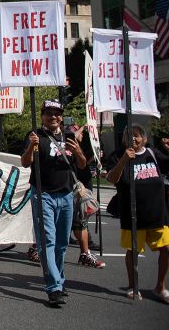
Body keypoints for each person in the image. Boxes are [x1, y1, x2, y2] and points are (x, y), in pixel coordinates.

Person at [21, 99, 85, 307]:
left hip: (66, 195)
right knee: (47, 241)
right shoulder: (36, 136)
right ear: (42, 116)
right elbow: (25, 162)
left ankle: (59, 280)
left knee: (61, 243)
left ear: (61, 116)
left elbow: (82, 165)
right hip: (43, 194)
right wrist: (32, 146)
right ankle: (53, 287)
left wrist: (78, 152)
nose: (53, 117)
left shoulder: (69, 137)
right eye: (48, 113)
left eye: (57, 113)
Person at [106, 125, 169, 303]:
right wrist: (124, 160)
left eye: (136, 136)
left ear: (145, 139)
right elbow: (111, 179)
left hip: (157, 214)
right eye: (128, 136)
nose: (132, 139)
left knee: (166, 249)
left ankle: (160, 287)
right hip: (132, 215)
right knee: (133, 252)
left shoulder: (153, 154)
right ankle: (133, 286)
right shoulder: (118, 155)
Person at [70, 125, 104, 269]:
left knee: (80, 218)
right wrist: (83, 127)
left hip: (82, 185)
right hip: (71, 185)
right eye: (80, 132)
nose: (82, 134)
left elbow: (83, 163)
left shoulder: (79, 147)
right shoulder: (68, 143)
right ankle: (37, 248)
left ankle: (85, 252)